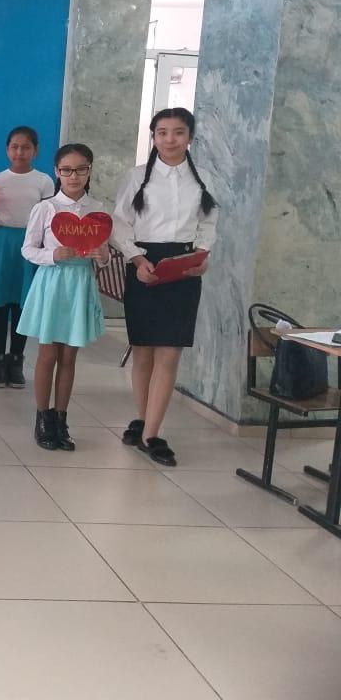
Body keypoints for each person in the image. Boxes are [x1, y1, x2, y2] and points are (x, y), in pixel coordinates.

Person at [112, 108, 218, 467]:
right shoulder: (136, 176)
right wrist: (136, 260)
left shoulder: (203, 178)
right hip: (144, 263)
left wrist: (203, 256)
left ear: (190, 137)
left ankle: (152, 435)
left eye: (178, 132)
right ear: (153, 136)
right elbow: (120, 224)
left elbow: (208, 224)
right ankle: (143, 421)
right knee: (143, 351)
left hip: (184, 266)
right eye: (162, 132)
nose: (170, 139)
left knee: (169, 353)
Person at [16, 143, 110, 451]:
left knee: (70, 355)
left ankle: (61, 418)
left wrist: (102, 256)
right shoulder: (46, 208)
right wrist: (53, 255)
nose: (73, 176)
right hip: (53, 281)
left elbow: (104, 253)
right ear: (57, 172)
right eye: (67, 170)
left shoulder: (97, 209)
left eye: (81, 169)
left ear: (89, 171)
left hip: (80, 283)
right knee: (48, 354)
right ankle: (43, 418)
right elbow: (28, 249)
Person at [0, 126, 55, 389]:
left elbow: (50, 217)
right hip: (1, 243)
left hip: (30, 244)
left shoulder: (44, 181)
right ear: (7, 150)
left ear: (35, 150)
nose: (20, 152)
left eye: (26, 147)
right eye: (15, 147)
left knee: (22, 304)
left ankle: (16, 360)